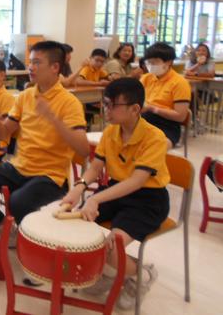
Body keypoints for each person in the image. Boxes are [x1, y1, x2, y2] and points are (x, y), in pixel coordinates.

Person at [62, 78, 169, 310]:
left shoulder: (155, 137)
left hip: (148, 200)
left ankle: (141, 275)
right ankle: (111, 273)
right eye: (105, 103)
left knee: (111, 247)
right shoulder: (111, 132)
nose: (106, 110)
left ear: (135, 109)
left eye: (112, 105)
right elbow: (95, 168)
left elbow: (137, 181)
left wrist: (95, 198)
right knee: (79, 230)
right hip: (115, 191)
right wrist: (78, 188)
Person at [0, 41, 89, 228]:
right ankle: (3, 224)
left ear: (55, 67)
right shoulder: (25, 96)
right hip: (18, 166)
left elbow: (84, 149)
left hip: (50, 175)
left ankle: (28, 235)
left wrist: (52, 118)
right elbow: (4, 134)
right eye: (30, 62)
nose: (30, 67)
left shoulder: (70, 102)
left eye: (37, 62)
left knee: (17, 201)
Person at [140, 42, 191, 149]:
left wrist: (153, 109)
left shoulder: (179, 83)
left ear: (169, 62)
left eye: (155, 62)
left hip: (166, 126)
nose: (151, 65)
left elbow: (180, 116)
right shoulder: (146, 78)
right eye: (149, 62)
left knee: (151, 150)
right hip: (142, 121)